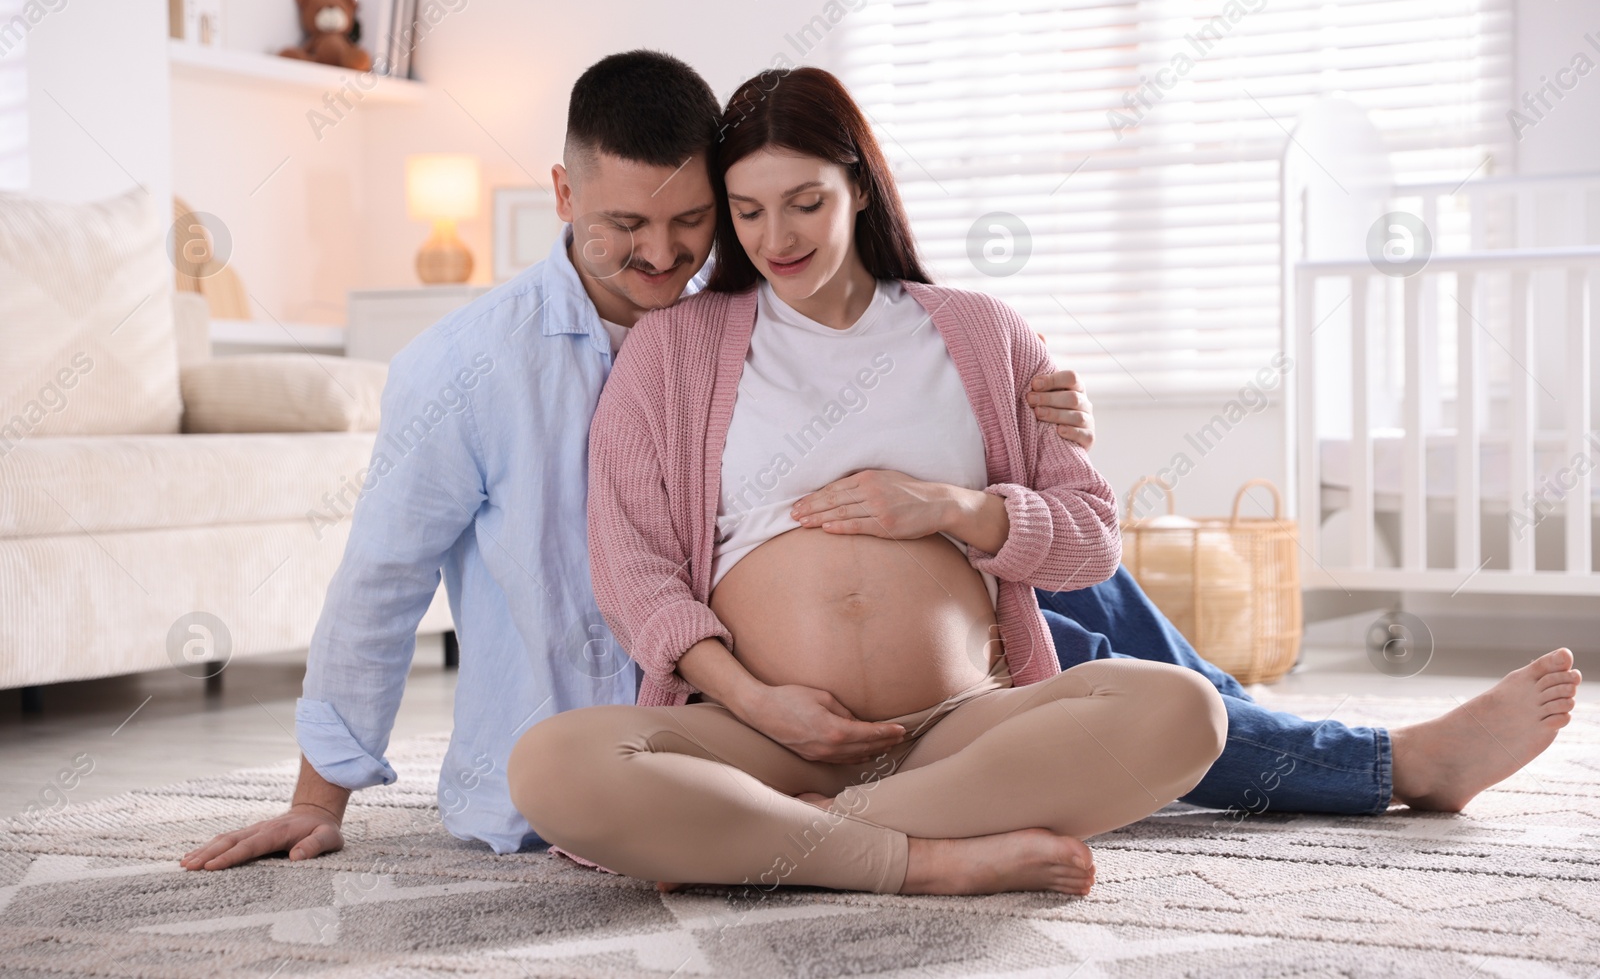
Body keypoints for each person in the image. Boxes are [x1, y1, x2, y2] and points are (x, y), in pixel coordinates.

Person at [178, 51, 1094, 872]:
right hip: (664, 741)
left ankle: (837, 825)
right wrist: (316, 800)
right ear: (563, 196)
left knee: (1163, 686)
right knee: (564, 770)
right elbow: (380, 581)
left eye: (692, 219)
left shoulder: (752, 313)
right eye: (624, 224)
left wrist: (1023, 405)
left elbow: (1054, 503)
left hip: (942, 673)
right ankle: (910, 847)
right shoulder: (465, 369)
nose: (661, 254)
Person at [506, 66, 1231, 896]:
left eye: (804, 202)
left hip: (962, 727)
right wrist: (755, 701)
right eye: (747, 211)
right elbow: (634, 576)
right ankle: (927, 854)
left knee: (1186, 710)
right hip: (758, 734)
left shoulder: (980, 333)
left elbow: (1092, 543)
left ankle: (784, 838)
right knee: (553, 764)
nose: (776, 236)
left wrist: (957, 507)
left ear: (858, 182)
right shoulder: (672, 352)